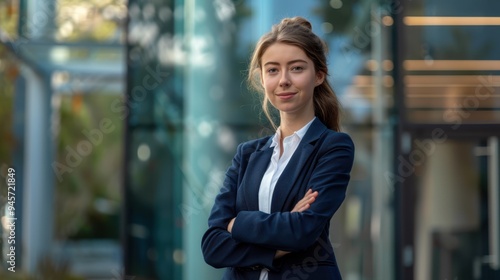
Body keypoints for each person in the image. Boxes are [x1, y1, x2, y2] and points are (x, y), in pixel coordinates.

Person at [201, 16, 355, 280]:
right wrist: (278, 240)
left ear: (318, 76)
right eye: (272, 70)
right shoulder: (247, 155)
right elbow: (213, 246)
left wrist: (239, 223)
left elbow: (302, 231)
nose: (283, 80)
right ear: (262, 78)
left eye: (296, 68)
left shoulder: (333, 147)